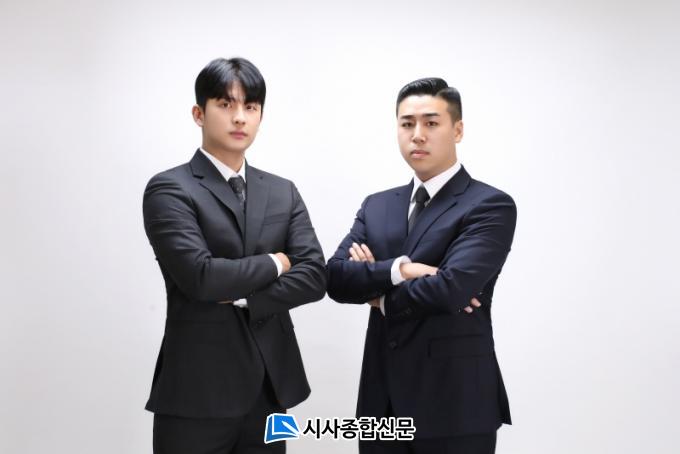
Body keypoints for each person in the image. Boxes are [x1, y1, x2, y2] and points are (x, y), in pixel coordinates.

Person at [142, 57, 326, 454]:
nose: (240, 117)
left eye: (251, 106)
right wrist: (277, 263)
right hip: (197, 392)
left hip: (270, 389)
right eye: (225, 104)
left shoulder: (282, 191)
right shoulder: (170, 189)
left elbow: (315, 275)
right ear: (199, 113)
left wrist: (247, 297)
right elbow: (201, 277)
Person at [327, 77, 517, 453]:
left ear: (457, 130)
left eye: (431, 123)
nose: (417, 135)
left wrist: (378, 295)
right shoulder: (378, 206)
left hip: (454, 403)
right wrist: (400, 270)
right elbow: (335, 277)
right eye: (407, 123)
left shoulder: (489, 205)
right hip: (381, 406)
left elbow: (450, 290)